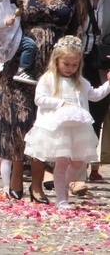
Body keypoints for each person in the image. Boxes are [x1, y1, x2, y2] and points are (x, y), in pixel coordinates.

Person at [0, 0, 79, 204]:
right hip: (21, 64)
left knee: (43, 122)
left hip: (53, 67)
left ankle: (37, 184)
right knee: (19, 120)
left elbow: (74, 31)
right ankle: (15, 177)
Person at [23, 36, 110, 209]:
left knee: (78, 162)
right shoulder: (48, 79)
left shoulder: (80, 82)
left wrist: (109, 83)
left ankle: (61, 185)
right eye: (66, 64)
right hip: (58, 128)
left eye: (75, 65)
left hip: (78, 129)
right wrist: (60, 103)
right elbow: (39, 99)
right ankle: (61, 198)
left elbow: (95, 95)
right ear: (56, 61)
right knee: (62, 161)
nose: (70, 68)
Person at [73, 0, 110, 184]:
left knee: (95, 116)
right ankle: (72, 170)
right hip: (75, 62)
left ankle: (85, 167)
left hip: (103, 63)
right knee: (76, 115)